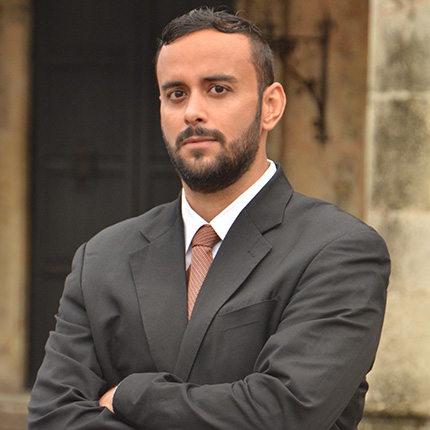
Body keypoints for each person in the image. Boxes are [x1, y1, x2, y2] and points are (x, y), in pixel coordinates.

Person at [28, 7, 390, 430]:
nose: (192, 112)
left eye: (218, 89)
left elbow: (286, 413)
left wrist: (131, 395)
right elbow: (52, 416)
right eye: (176, 94)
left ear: (270, 106)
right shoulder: (101, 258)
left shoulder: (337, 250)